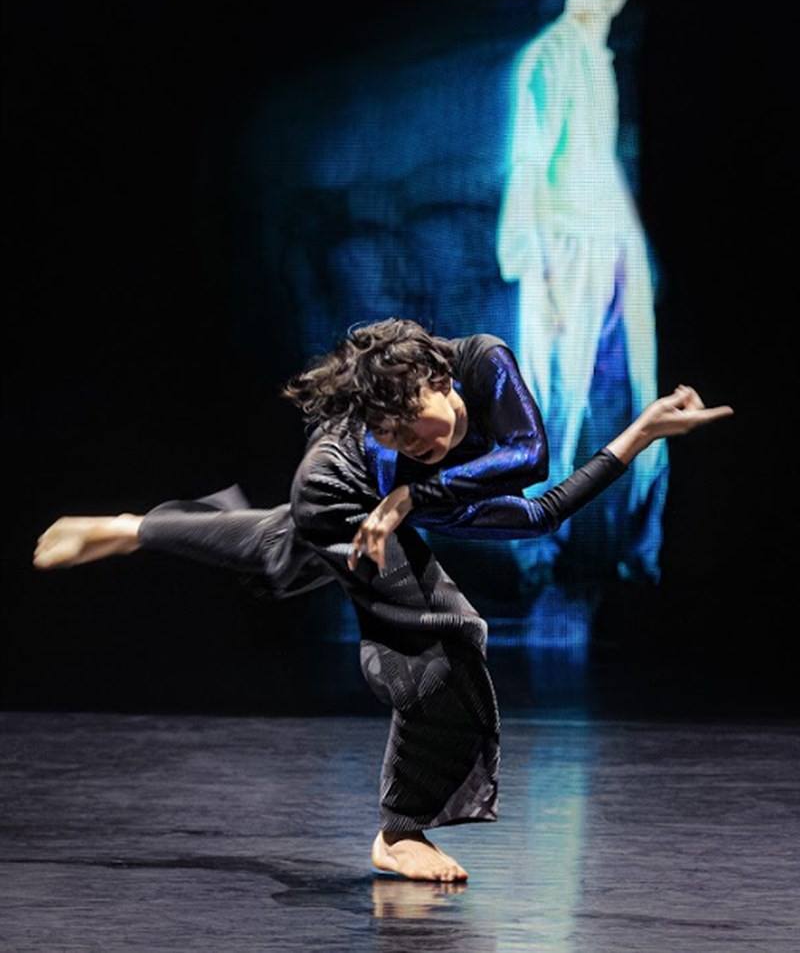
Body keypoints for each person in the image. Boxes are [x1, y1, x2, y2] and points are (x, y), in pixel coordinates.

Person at [33, 318, 733, 882]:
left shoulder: (484, 363)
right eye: (392, 437)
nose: (413, 447)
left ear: (439, 380)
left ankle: (133, 527)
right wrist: (401, 487)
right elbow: (382, 490)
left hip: (383, 500)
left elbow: (535, 481)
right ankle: (400, 833)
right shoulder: (389, 456)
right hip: (334, 489)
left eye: (411, 426)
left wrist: (640, 434)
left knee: (281, 551)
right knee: (445, 630)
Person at [496, 0, 668, 583]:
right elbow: (531, 167)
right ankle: (537, 545)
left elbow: (596, 162)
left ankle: (639, 554)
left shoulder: (601, 62)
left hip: (609, 243)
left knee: (639, 392)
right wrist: (536, 263)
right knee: (555, 401)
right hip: (563, 246)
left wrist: (632, 249)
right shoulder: (550, 58)